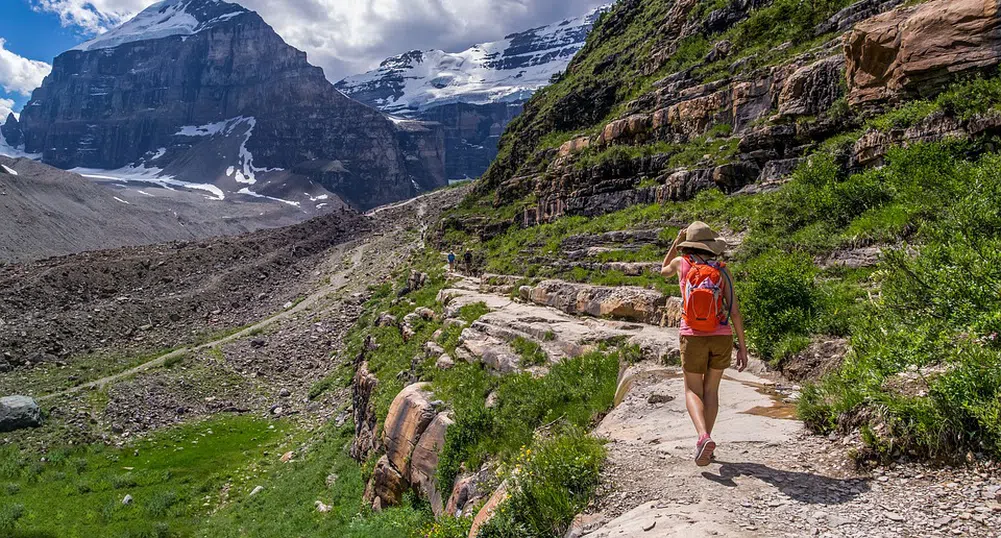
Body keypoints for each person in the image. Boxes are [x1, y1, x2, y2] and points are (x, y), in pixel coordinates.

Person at [660, 221, 749, 467]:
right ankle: (706, 442)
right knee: (711, 391)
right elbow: (735, 311)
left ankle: (702, 437)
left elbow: (662, 270)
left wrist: (675, 243)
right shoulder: (722, 269)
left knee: (691, 390)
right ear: (711, 246)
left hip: (692, 335)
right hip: (721, 335)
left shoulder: (682, 264)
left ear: (687, 244)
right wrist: (742, 346)